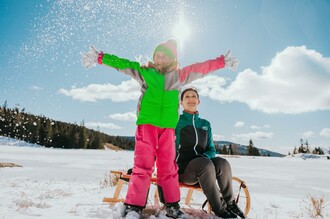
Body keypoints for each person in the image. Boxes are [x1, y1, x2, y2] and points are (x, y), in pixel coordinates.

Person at [81, 39, 238, 218]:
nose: (159, 58)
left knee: (168, 168)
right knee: (143, 166)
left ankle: (172, 205)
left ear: (171, 59)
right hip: (147, 125)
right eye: (157, 55)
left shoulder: (179, 76)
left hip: (168, 129)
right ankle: (134, 206)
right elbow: (123, 65)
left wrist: (221, 62)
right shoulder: (146, 72)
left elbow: (201, 68)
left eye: (164, 55)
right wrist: (101, 57)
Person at [175, 87, 245, 218]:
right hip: (184, 171)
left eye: (193, 96)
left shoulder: (205, 124)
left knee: (222, 163)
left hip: (205, 170)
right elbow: (171, 148)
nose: (191, 99)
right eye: (187, 97)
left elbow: (211, 149)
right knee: (204, 164)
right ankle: (219, 209)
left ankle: (230, 203)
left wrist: (205, 158)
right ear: (181, 103)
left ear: (199, 101)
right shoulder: (177, 123)